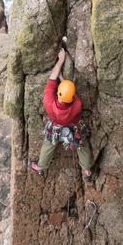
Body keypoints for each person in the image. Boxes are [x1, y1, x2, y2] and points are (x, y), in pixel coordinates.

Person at [30, 47, 93, 181]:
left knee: (49, 144)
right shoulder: (76, 105)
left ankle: (41, 167)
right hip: (74, 127)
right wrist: (63, 79)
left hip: (56, 128)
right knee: (82, 145)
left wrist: (60, 62)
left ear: (58, 93)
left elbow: (52, 78)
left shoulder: (48, 102)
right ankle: (87, 170)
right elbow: (71, 94)